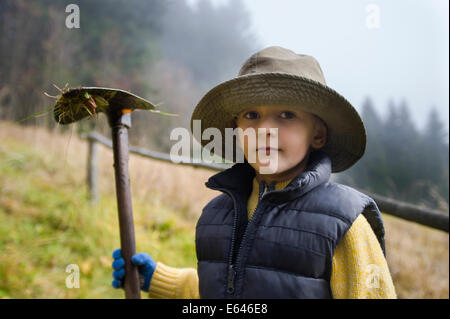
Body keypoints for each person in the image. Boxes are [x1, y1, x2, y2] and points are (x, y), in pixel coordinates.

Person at [111, 46, 397, 299]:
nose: (264, 131)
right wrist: (157, 278)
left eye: (287, 115)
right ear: (237, 129)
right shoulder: (217, 215)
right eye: (251, 115)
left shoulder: (343, 224)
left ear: (318, 134)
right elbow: (226, 287)